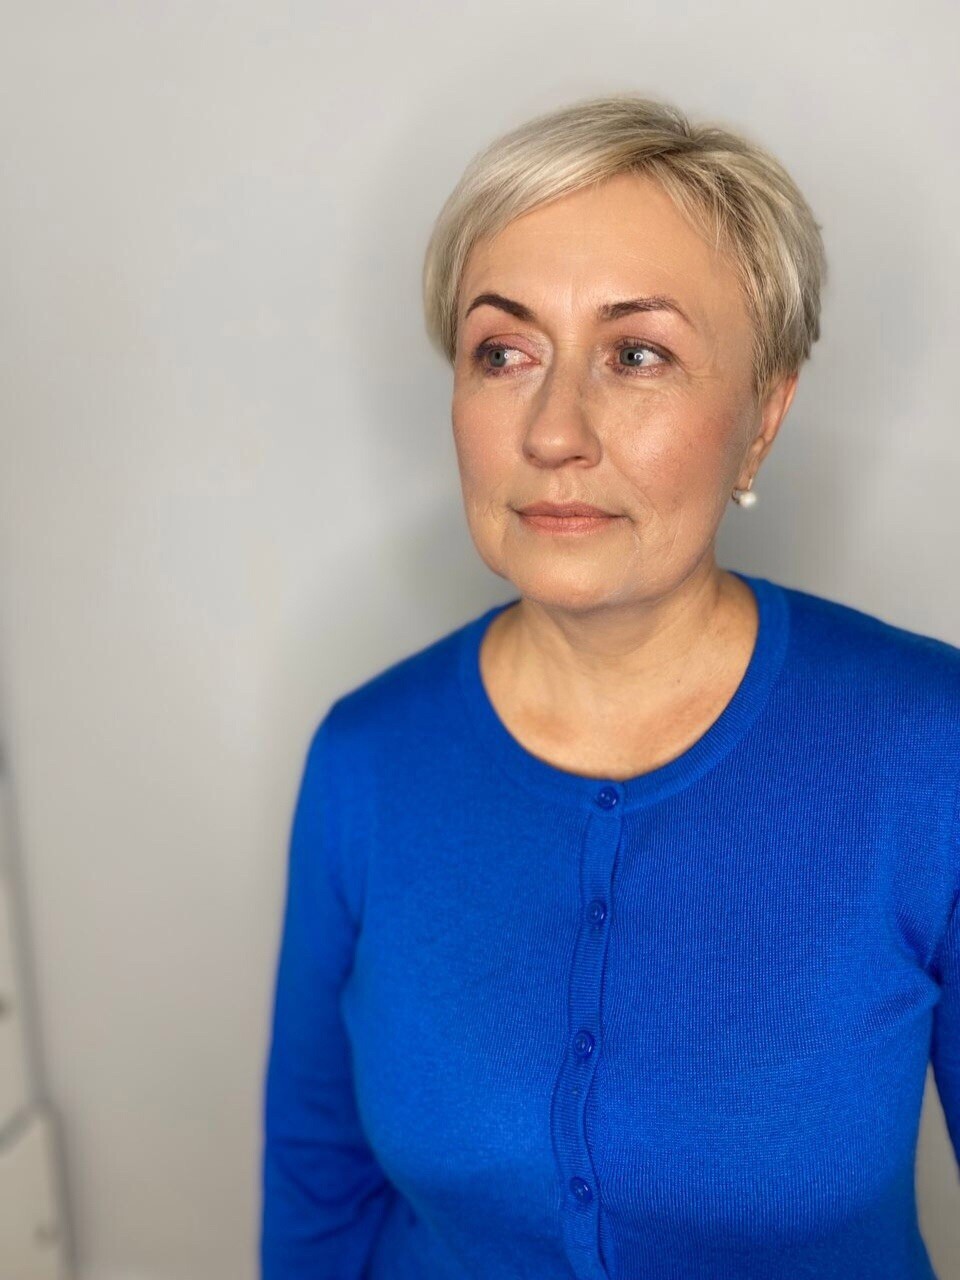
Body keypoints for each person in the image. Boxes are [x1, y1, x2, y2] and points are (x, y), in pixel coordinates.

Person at [259, 93, 960, 1279]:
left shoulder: (929, 750)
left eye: (638, 354)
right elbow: (317, 1196)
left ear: (762, 417)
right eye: (504, 352)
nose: (554, 431)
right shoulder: (365, 759)